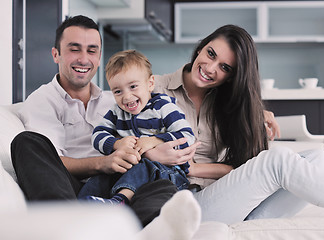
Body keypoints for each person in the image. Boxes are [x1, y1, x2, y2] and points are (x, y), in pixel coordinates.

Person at [135, 24, 324, 224]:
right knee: (277, 161)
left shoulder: (227, 103)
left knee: (319, 157)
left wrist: (250, 112)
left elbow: (240, 166)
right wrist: (182, 164)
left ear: (232, 76)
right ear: (200, 48)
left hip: (224, 198)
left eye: (225, 67)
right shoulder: (152, 88)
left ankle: (251, 222)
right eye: (210, 54)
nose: (210, 68)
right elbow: (129, 148)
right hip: (185, 205)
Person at [10, 15, 202, 239]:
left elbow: (170, 137)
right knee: (26, 142)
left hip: (122, 185)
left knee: (164, 187)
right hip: (72, 189)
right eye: (75, 49)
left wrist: (155, 146)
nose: (84, 58)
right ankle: (68, 225)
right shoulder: (42, 100)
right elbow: (52, 161)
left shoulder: (118, 100)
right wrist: (105, 163)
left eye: (92, 50)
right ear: (56, 54)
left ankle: (135, 228)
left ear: (99, 58)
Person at [78, 49, 196, 204]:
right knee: (104, 173)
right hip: (130, 169)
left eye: (133, 86)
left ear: (150, 84)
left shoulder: (163, 107)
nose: (127, 96)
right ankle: (82, 207)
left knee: (144, 166)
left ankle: (119, 201)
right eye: (118, 91)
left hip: (167, 173)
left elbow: (187, 136)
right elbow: (98, 134)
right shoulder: (117, 112)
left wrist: (154, 141)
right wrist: (116, 143)